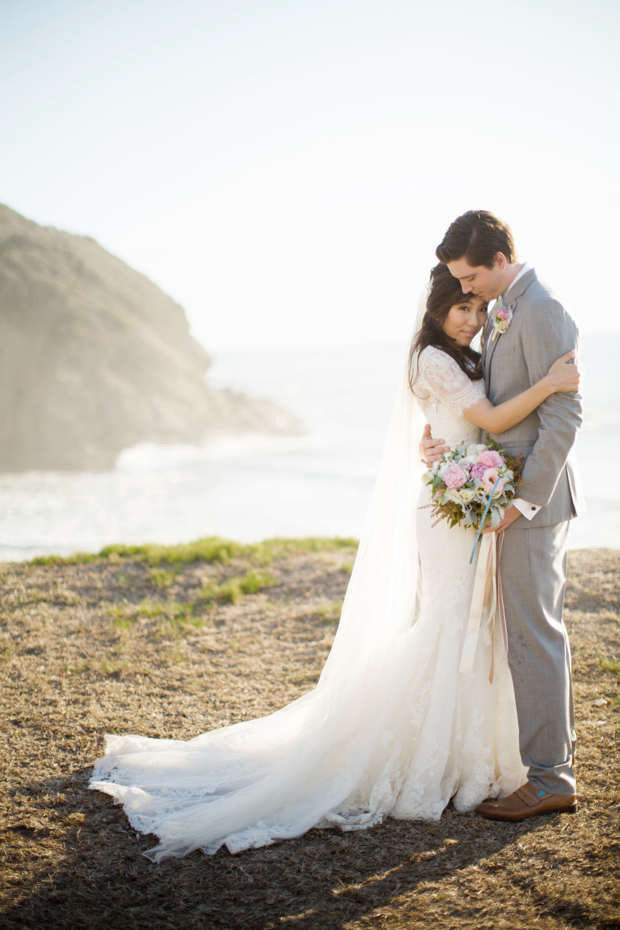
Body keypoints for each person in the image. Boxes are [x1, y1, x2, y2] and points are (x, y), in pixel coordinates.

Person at [90, 246, 581, 860]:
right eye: (460, 306)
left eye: (477, 306)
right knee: (450, 623)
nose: (472, 318)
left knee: (473, 626)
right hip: (454, 513)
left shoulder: (466, 353)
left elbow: (477, 424)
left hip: (467, 500)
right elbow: (492, 412)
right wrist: (552, 383)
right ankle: (425, 755)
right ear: (435, 309)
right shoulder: (433, 358)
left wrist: (448, 452)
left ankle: (471, 754)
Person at [422, 210, 584, 821]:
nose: (463, 290)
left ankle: (550, 779)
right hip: (504, 496)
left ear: (496, 260)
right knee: (522, 633)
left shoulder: (541, 310)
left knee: (533, 635)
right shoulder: (504, 310)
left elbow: (563, 418)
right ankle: (546, 766)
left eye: (468, 277)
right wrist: (438, 440)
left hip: (530, 505)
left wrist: (521, 500)